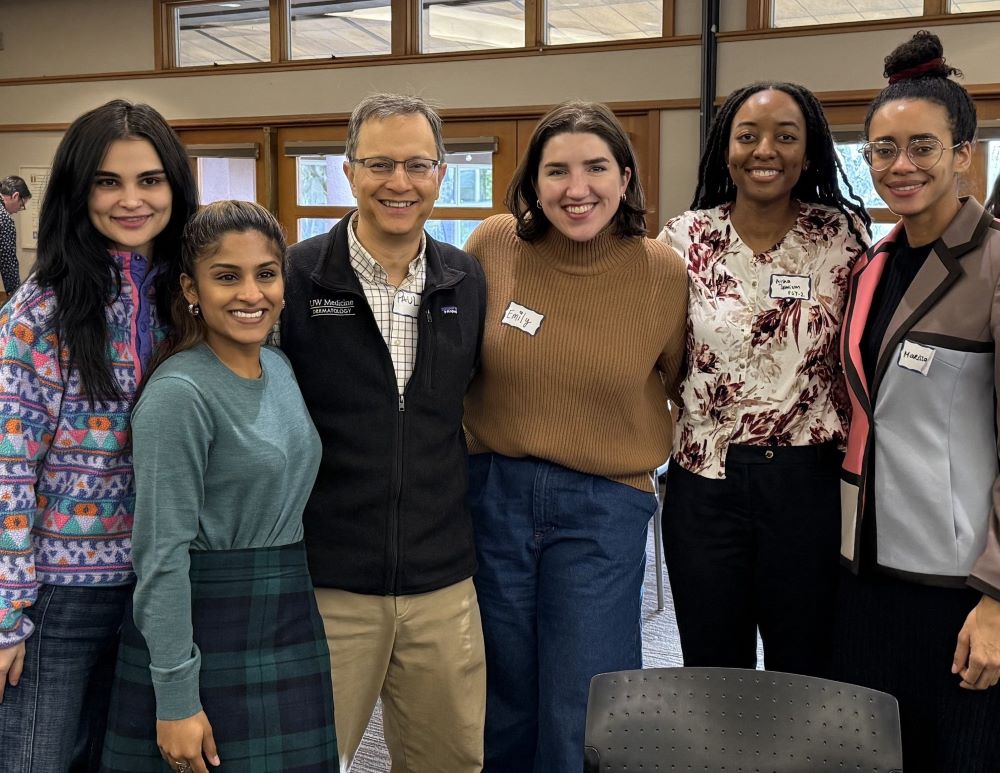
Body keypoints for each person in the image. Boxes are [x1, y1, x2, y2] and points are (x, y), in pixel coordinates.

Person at [462, 100, 688, 773]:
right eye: (555, 170)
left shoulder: (663, 271)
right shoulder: (492, 244)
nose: (576, 187)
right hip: (493, 492)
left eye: (595, 167)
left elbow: (679, 378)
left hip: (604, 503)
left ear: (626, 177)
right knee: (499, 690)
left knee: (582, 698)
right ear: (533, 183)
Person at [279, 93, 487, 773]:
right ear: (347, 171)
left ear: (441, 172)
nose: (399, 182)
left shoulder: (467, 277)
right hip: (329, 578)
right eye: (380, 164)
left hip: (441, 581)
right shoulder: (296, 276)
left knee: (450, 760)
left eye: (417, 164)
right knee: (310, 757)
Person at [100, 200, 337, 773]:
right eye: (227, 276)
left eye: (266, 273)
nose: (251, 294)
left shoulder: (278, 367)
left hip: (286, 609)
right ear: (191, 287)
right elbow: (160, 555)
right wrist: (176, 697)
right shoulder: (180, 393)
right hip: (204, 621)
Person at [0, 100, 198, 772]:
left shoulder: (188, 297)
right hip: (59, 596)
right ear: (77, 191)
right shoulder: (42, 308)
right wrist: (7, 615)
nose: (131, 199)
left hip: (161, 586)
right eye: (107, 182)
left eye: (150, 180)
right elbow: (8, 468)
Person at [657, 82, 870, 678]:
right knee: (711, 665)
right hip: (704, 483)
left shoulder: (841, 238)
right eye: (747, 135)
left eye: (785, 136)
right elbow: (655, 350)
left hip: (808, 484)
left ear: (809, 153)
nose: (764, 150)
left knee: (804, 665)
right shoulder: (684, 238)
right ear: (726, 148)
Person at [835, 30, 1000, 771]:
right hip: (868, 575)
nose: (900, 166)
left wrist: (998, 598)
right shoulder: (873, 264)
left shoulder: (994, 264)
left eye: (923, 147)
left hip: (960, 585)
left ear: (962, 151)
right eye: (882, 149)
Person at [0, 175, 32, 300]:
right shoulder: (4, 219)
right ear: (15, 196)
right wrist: (15, 295)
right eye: (21, 205)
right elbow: (8, 260)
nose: (19, 210)